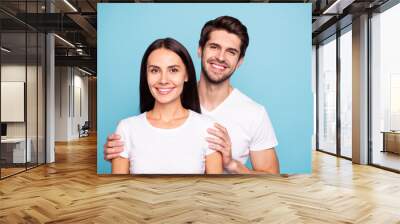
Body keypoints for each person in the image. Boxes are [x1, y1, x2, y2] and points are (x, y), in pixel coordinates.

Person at [106, 16, 280, 174]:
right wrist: (124, 148)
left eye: (231, 52)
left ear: (240, 61)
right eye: (214, 47)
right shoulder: (167, 96)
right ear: (200, 50)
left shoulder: (254, 114)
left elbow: (271, 180)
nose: (220, 57)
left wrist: (232, 164)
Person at [111, 38, 223, 174]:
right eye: (154, 71)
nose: (163, 80)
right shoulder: (126, 129)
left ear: (186, 74)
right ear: (145, 75)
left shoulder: (208, 129)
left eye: (173, 70)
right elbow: (119, 191)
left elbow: (214, 191)